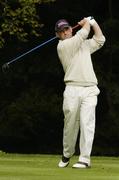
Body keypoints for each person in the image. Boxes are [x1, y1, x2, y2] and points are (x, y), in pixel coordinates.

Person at [55, 17, 106, 168]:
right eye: (61, 31)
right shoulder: (63, 46)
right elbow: (83, 34)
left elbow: (100, 39)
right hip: (72, 89)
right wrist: (86, 23)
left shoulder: (83, 44)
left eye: (66, 29)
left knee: (87, 123)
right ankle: (67, 154)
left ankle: (84, 159)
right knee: (70, 124)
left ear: (71, 28)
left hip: (90, 89)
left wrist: (94, 22)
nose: (64, 32)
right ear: (58, 34)